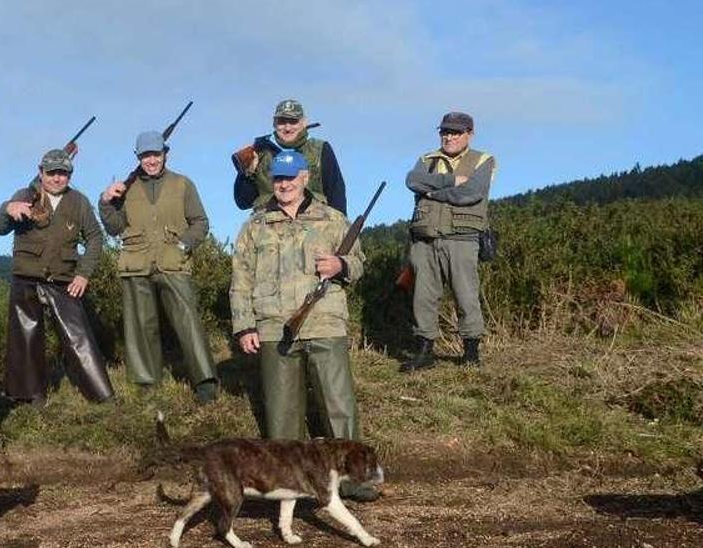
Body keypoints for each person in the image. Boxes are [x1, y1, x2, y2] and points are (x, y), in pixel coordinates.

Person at [230, 150, 376, 501]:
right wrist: (244, 326)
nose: (284, 185)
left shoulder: (333, 218)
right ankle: (289, 484)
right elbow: (240, 280)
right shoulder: (254, 224)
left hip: (325, 321)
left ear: (305, 178)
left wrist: (341, 265)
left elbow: (360, 263)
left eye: (290, 178)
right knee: (282, 416)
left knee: (338, 406)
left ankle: (354, 480)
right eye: (278, 179)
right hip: (272, 326)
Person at [98, 131, 218, 403]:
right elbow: (114, 227)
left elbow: (200, 222)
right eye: (145, 155)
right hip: (136, 263)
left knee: (188, 322)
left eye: (156, 154)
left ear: (165, 153)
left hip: (174, 263)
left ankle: (205, 381)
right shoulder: (124, 188)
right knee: (141, 324)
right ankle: (146, 382)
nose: (151, 160)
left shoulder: (183, 184)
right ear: (138, 157)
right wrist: (105, 202)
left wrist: (183, 246)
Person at [0, 149, 114, 405]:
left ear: (70, 174)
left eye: (63, 173)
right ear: (41, 172)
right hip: (26, 277)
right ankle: (29, 396)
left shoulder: (78, 201)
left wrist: (83, 274)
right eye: (52, 173)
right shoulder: (24, 196)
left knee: (79, 337)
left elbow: (95, 238)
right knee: (26, 337)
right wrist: (7, 209)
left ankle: (101, 396)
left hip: (64, 279)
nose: (58, 179)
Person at [401, 111, 496, 371]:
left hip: (462, 238)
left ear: (470, 134)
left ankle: (471, 352)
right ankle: (424, 351)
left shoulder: (483, 160)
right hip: (425, 239)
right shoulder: (426, 159)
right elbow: (412, 180)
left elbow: (471, 193)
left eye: (455, 132)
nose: (449, 136)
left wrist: (430, 191)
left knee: (466, 296)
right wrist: (451, 181)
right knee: (423, 296)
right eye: (445, 131)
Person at [232, 98, 348, 215]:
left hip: (315, 228)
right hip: (268, 229)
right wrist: (248, 173)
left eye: (293, 121)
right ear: (274, 123)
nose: (287, 128)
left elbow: (336, 195)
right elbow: (243, 202)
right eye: (282, 121)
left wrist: (342, 229)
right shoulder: (259, 151)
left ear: (304, 122)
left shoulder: (321, 149)